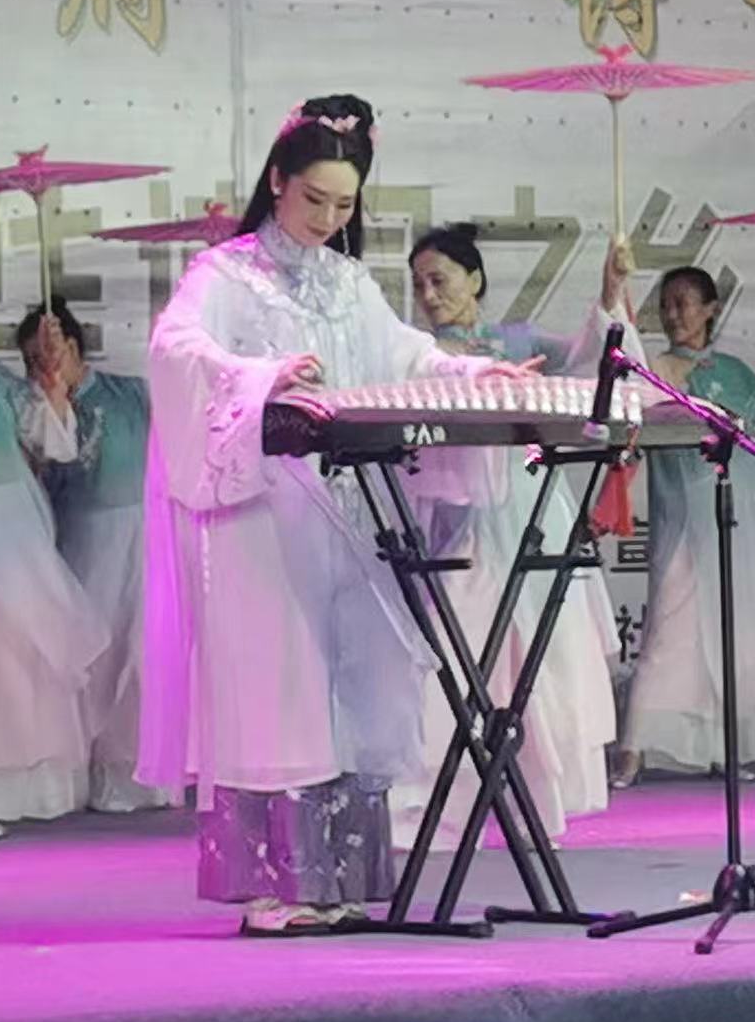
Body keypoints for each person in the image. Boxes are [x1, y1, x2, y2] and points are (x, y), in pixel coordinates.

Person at [139, 95, 536, 934]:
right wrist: (262, 376)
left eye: (344, 205)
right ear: (277, 182)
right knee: (278, 691)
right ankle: (275, 888)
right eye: (313, 198)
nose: (326, 219)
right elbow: (176, 349)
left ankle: (338, 881)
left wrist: (474, 375)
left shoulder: (349, 281)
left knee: (352, 686)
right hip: (260, 518)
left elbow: (407, 356)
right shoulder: (225, 274)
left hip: (347, 510)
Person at [391, 222, 635, 847]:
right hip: (456, 515)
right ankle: (440, 806)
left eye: (439, 280)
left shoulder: (520, 339)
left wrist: (610, 294)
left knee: (535, 654)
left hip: (528, 505)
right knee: (457, 646)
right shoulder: (418, 354)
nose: (429, 295)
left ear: (474, 279)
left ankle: (533, 804)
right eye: (419, 285)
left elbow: (586, 361)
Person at [615, 266, 755, 783]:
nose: (673, 314)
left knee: (732, 632)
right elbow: (627, 424)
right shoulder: (653, 370)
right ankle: (634, 749)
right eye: (667, 304)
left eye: (684, 302)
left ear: (711, 309)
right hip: (683, 520)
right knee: (669, 634)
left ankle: (721, 747)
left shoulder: (733, 372)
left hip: (736, 517)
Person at [17, 299, 173, 813]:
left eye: (49, 351)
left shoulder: (131, 394)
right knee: (92, 657)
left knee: (144, 654)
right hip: (81, 541)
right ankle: (79, 775)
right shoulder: (34, 408)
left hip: (145, 535)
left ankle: (140, 775)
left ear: (73, 345)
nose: (42, 363)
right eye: (31, 358)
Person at [0, 355, 101, 840]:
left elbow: (48, 438)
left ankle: (15, 791)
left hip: (10, 518)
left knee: (18, 654)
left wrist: (52, 392)